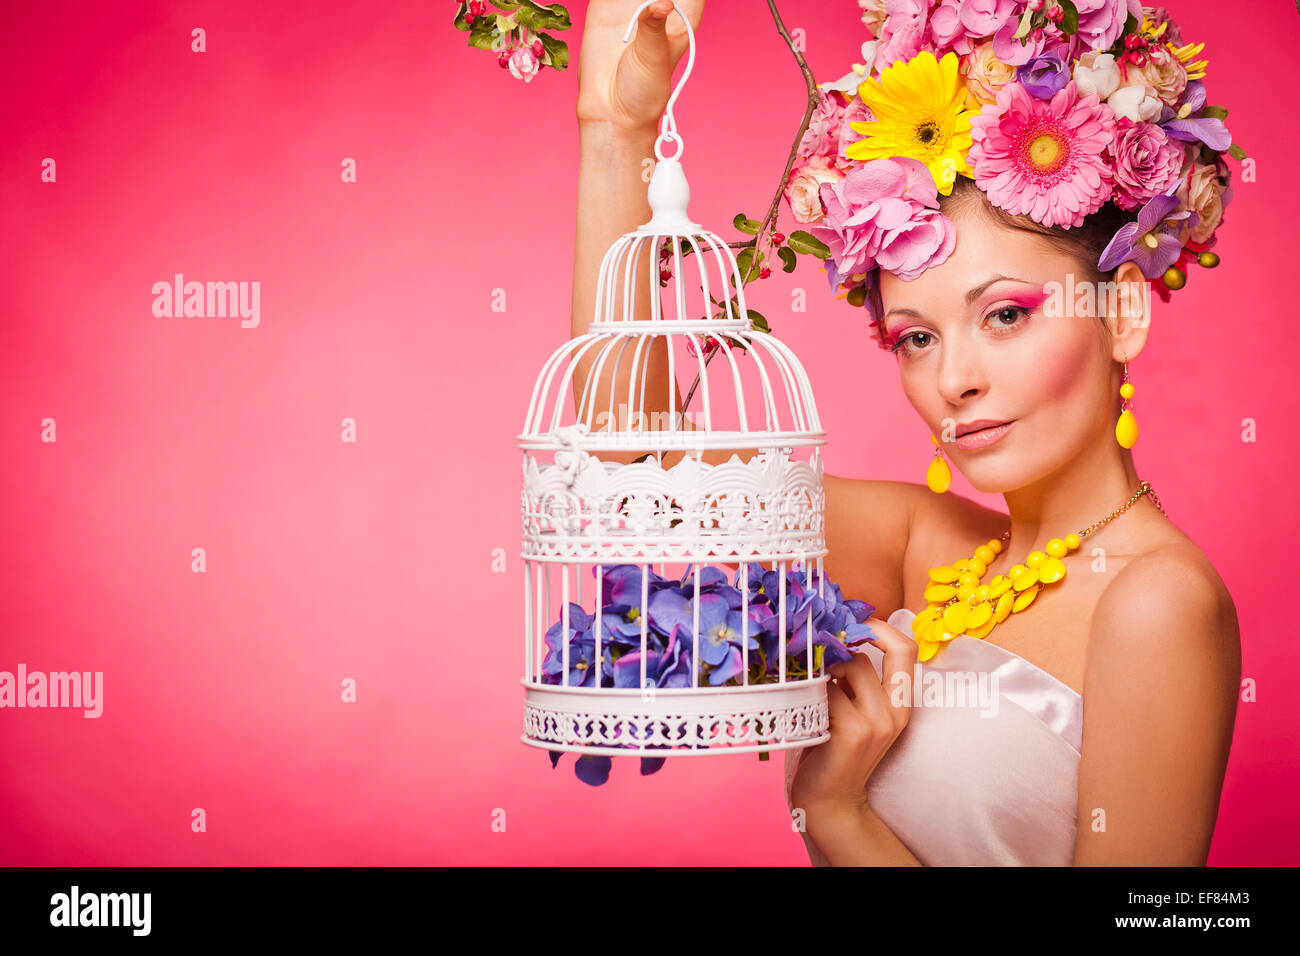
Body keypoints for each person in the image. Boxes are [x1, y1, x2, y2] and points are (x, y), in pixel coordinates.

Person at [571, 0, 1240, 865]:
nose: (952, 380)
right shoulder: (932, 551)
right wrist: (617, 131)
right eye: (916, 337)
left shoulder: (1157, 603)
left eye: (1005, 314)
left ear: (1122, 314)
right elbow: (636, 473)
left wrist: (839, 812)